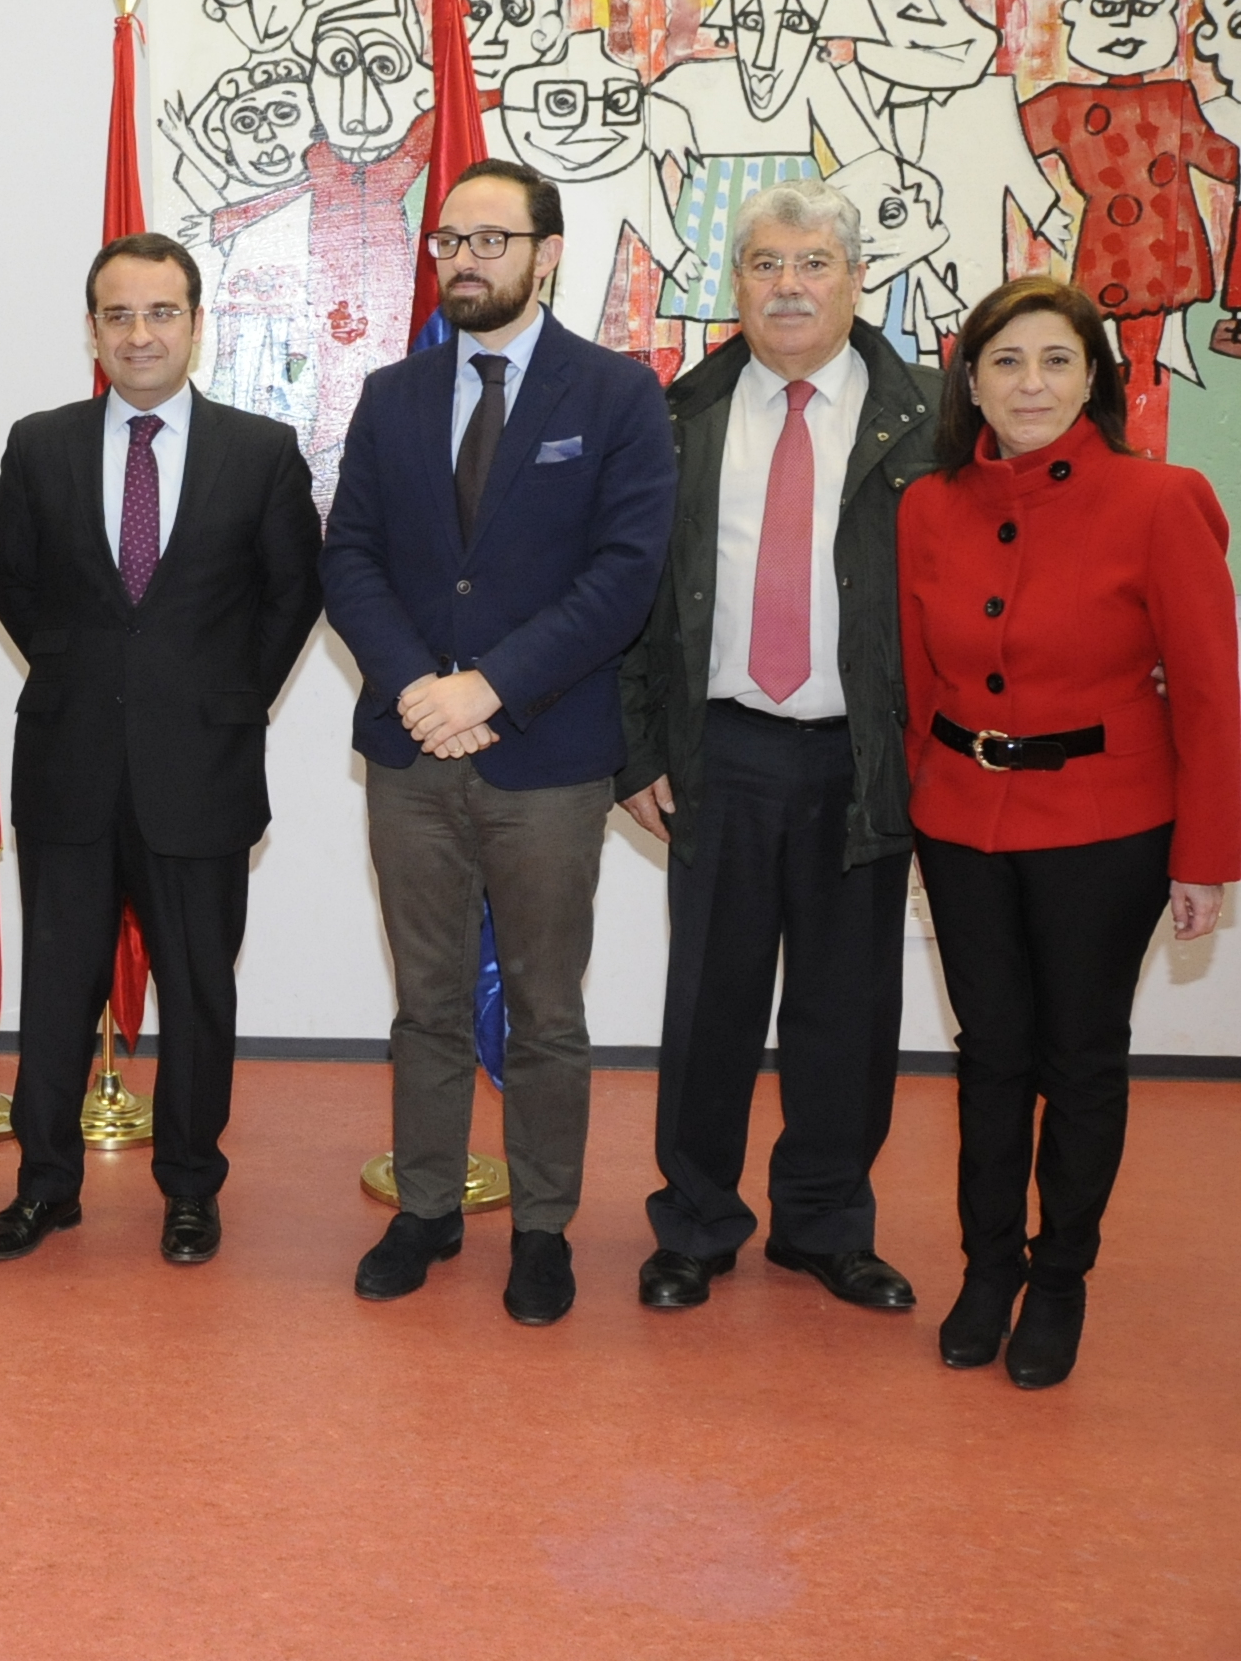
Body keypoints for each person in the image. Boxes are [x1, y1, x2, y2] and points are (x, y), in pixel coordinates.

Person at [324, 160, 677, 1325]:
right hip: (412, 751)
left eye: (491, 240)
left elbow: (624, 576)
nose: (465, 261)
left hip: (548, 755)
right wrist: (421, 688)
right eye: (449, 241)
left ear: (548, 252)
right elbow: (350, 559)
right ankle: (425, 1209)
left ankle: (542, 1228)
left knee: (545, 1009)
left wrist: (490, 686)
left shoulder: (618, 396)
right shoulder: (392, 396)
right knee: (425, 999)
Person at [898, 276, 1239, 1388]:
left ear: (1095, 376)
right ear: (971, 382)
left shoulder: (1163, 499)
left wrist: (1205, 858)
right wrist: (910, 810)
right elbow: (914, 679)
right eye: (1005, 362)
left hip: (1109, 826)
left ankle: (1059, 1280)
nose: (1030, 384)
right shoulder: (926, 505)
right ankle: (987, 1267)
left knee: (1080, 1058)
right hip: (962, 822)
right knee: (990, 1052)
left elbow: (1209, 693)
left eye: (1056, 360)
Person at [618, 179, 945, 1315]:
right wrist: (635, 750)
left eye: (813, 263)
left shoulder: (931, 418)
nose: (790, 286)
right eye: (766, 264)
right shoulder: (678, 415)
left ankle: (825, 1224)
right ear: (736, 284)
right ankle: (696, 1224)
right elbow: (631, 595)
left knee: (847, 1009)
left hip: (863, 755)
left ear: (858, 279)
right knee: (709, 1004)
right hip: (721, 749)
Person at [0, 233, 324, 1265]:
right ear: (92, 330)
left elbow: (292, 594)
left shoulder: (260, 451)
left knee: (199, 992)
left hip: (202, 771)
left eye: (161, 312)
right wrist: (78, 670)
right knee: (56, 994)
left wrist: (229, 699)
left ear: (196, 324)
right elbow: (10, 579)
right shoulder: (40, 444)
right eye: (118, 315)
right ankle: (45, 1188)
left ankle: (190, 1189)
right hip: (69, 766)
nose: (140, 334)